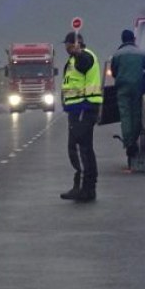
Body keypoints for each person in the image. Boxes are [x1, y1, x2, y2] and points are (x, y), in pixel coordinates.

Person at [59, 31, 103, 202]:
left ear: (74, 44)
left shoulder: (84, 56)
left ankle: (85, 188)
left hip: (83, 107)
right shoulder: (72, 60)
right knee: (80, 147)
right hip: (77, 108)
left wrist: (78, 52)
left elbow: (84, 64)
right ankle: (83, 185)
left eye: (67, 44)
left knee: (80, 147)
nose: (66, 47)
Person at [110, 29, 145, 169]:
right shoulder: (142, 54)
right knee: (136, 114)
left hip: (123, 88)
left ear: (122, 40)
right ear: (134, 39)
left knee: (125, 115)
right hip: (138, 87)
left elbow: (114, 71)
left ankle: (129, 142)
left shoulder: (117, 55)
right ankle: (134, 139)